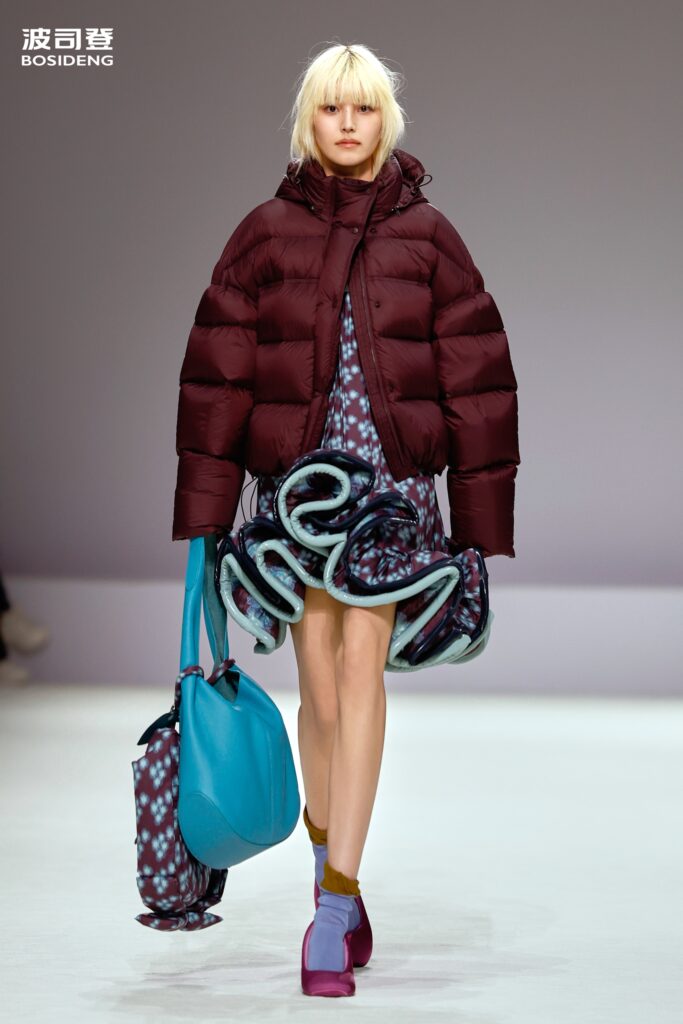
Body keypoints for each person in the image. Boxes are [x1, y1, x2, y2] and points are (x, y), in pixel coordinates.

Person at [172, 42, 520, 997]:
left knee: (360, 671)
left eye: (364, 108)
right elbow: (217, 378)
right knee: (318, 694)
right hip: (295, 494)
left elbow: (479, 379)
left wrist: (475, 526)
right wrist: (206, 516)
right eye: (333, 108)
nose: (349, 124)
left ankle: (331, 906)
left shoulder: (430, 237)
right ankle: (337, 869)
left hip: (391, 493)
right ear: (310, 120)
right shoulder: (264, 233)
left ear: (385, 120)